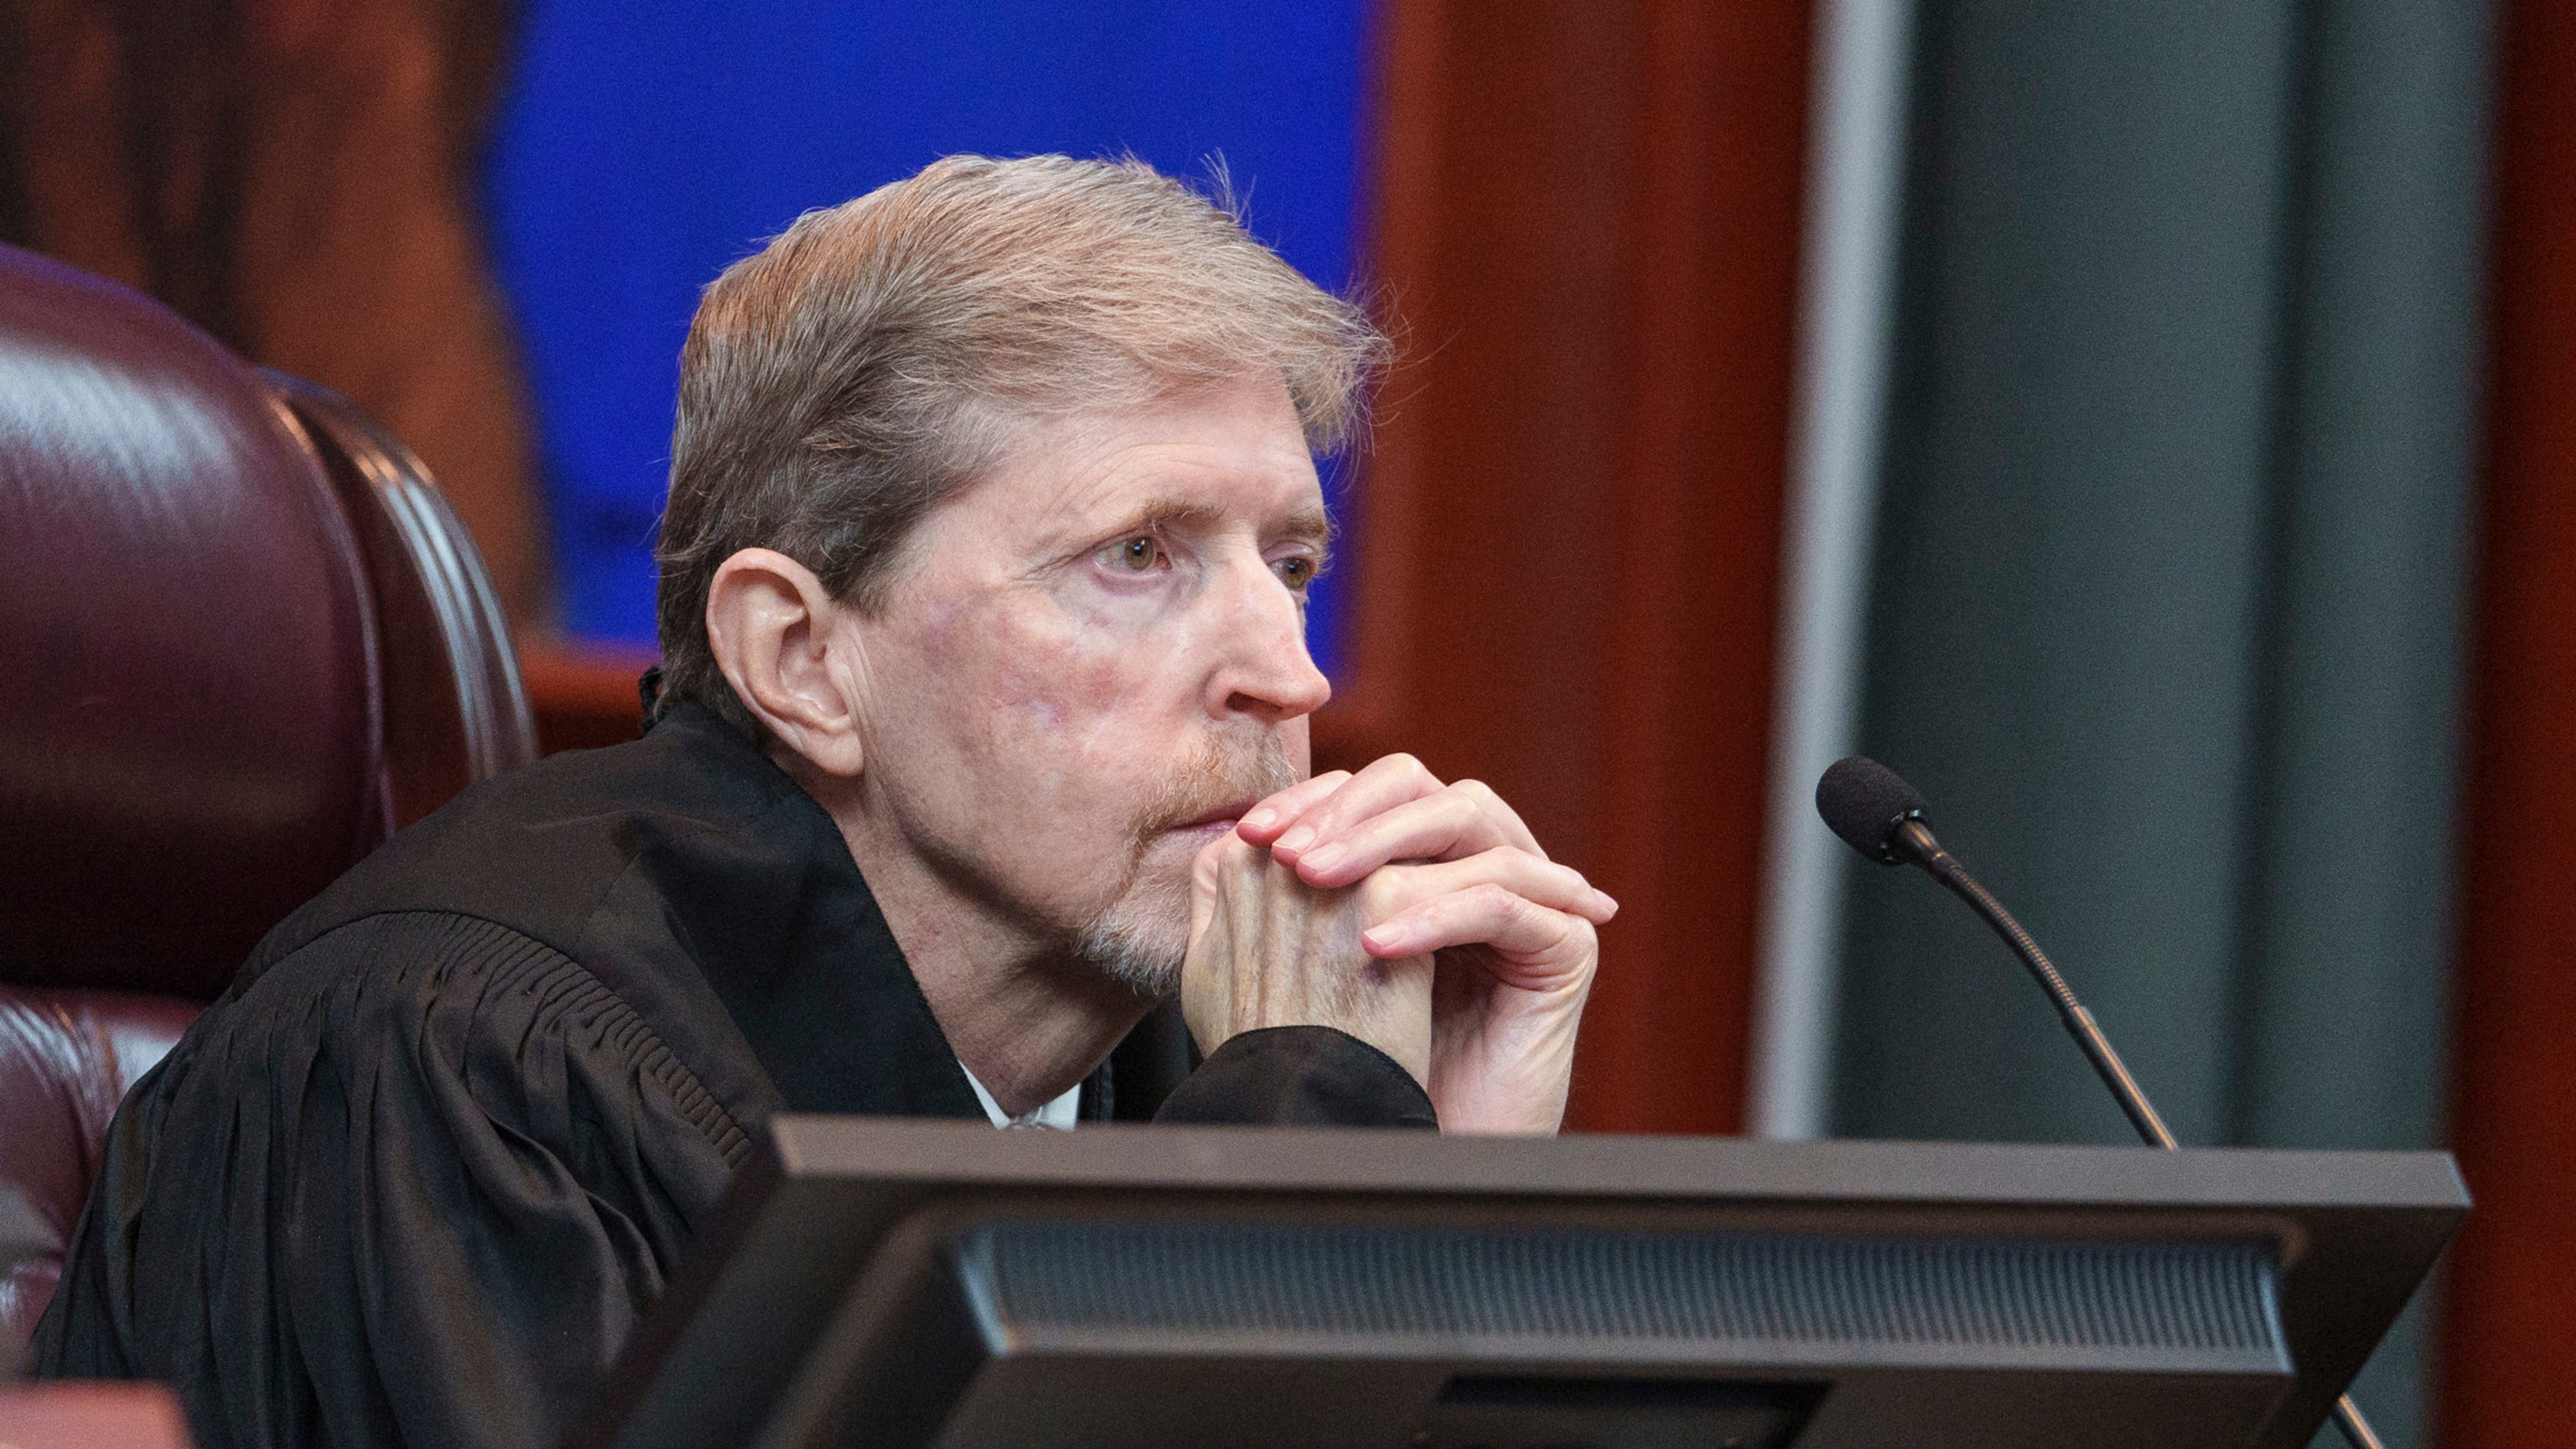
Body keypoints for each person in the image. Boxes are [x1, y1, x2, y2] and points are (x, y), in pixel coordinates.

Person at [30, 155, 1613, 1448]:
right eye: (1140, 555)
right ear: (801, 660)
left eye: (1292, 568)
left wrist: (1450, 1221)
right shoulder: (469, 1067)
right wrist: (1301, 1169)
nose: (1291, 677)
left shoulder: (1218, 1055)